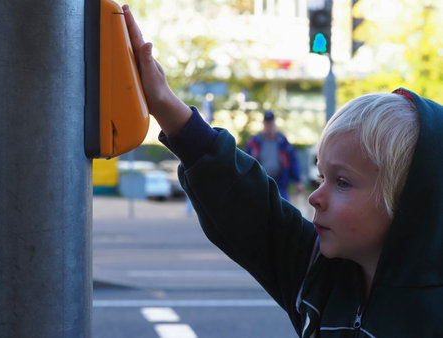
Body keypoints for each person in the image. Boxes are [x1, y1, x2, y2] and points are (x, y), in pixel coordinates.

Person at [123, 5, 443, 336]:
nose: (317, 197)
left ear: (412, 201)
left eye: (343, 182)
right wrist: (165, 106)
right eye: (321, 178)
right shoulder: (318, 275)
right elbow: (251, 209)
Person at [245, 110, 304, 200]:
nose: (269, 125)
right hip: (260, 182)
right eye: (267, 122)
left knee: (282, 208)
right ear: (264, 123)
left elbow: (293, 160)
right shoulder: (255, 142)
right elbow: (246, 161)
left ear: (274, 123)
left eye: (270, 122)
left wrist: (298, 180)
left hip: (279, 183)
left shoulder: (283, 142)